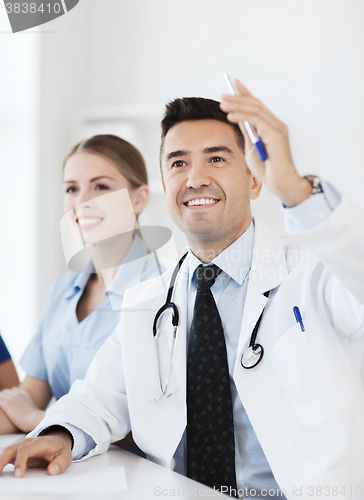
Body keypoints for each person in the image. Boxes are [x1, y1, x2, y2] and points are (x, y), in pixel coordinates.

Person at [1, 82, 363, 499]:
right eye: (177, 163)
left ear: (255, 180)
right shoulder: (149, 301)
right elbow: (100, 395)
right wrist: (61, 433)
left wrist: (297, 191)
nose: (195, 178)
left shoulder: (316, 273)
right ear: (164, 186)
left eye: (216, 157)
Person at [0, 134, 159, 445]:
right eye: (71, 188)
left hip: (133, 478)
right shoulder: (62, 290)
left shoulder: (161, 295)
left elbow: (154, 428)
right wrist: (29, 414)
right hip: (68, 471)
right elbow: (28, 398)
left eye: (100, 186)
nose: (82, 201)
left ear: (139, 198)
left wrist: (43, 420)